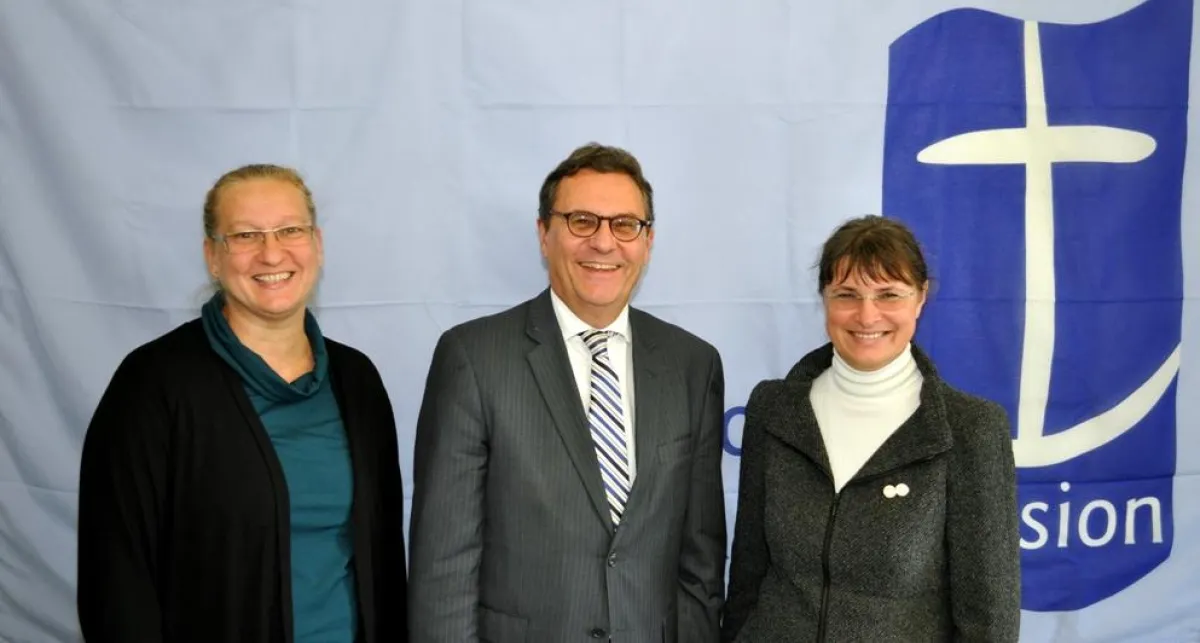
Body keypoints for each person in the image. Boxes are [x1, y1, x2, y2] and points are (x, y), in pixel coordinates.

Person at [408, 143, 727, 642]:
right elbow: (444, 567)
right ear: (544, 234)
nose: (604, 243)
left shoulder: (693, 364)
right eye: (582, 221)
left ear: (647, 242)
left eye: (625, 225)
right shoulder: (473, 358)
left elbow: (700, 564)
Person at [77, 164, 407, 643]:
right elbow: (116, 582)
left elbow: (384, 562)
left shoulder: (357, 381)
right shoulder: (153, 385)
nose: (271, 252)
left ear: (317, 244)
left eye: (290, 230)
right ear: (212, 256)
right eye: (245, 235)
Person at [721, 215, 1020, 642]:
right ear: (824, 299)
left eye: (889, 295)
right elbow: (748, 574)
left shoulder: (970, 430)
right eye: (847, 294)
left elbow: (987, 619)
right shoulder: (773, 409)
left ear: (920, 299)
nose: (866, 315)